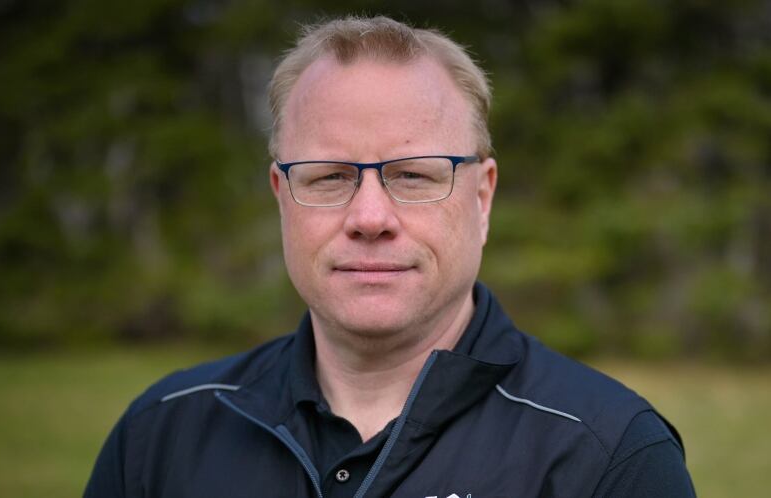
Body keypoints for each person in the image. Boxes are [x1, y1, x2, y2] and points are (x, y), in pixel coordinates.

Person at [85, 15, 696, 498]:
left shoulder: (609, 458)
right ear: (282, 197)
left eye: (412, 174)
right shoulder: (160, 435)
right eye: (328, 177)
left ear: (481, 197)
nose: (370, 219)